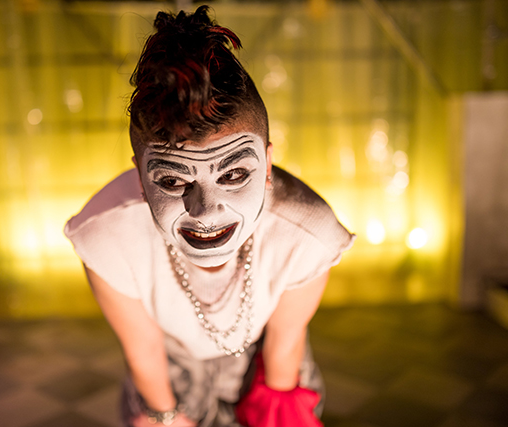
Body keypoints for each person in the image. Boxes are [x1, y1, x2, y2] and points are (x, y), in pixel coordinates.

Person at [64, 6, 354, 427]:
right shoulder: (106, 235)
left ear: (268, 165)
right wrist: (164, 415)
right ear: (140, 179)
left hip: (263, 354)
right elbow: (143, 349)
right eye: (172, 180)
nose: (205, 210)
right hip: (168, 358)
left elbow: (283, 347)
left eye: (234, 173)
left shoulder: (308, 234)